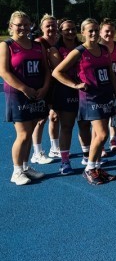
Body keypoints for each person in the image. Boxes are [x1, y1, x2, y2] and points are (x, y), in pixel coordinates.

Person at [53, 19, 116, 185]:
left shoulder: (104, 49)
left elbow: (110, 72)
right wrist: (75, 85)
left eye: (96, 30)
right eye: (90, 31)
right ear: (82, 32)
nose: (94, 33)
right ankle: (89, 168)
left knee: (99, 135)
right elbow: (57, 72)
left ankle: (97, 167)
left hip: (106, 95)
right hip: (90, 98)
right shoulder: (79, 51)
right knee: (103, 133)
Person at [1, 11, 51, 185]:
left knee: (29, 133)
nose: (23, 27)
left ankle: (25, 166)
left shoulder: (38, 46)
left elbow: (46, 69)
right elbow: (4, 72)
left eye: (26, 24)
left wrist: (44, 88)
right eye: (18, 24)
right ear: (11, 26)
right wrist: (24, 88)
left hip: (37, 94)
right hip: (18, 95)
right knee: (22, 134)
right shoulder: (6, 45)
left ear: (31, 25)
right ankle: (16, 172)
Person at [48, 19, 84, 175]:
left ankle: (88, 157)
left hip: (84, 90)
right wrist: (74, 84)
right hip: (65, 91)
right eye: (66, 29)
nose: (70, 32)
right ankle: (64, 161)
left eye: (73, 29)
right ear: (60, 31)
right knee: (67, 126)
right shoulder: (55, 49)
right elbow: (59, 72)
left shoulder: (83, 46)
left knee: (85, 125)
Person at [31, 14, 59, 164]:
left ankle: (55, 148)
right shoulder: (38, 43)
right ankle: (37, 152)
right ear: (41, 28)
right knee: (40, 120)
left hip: (56, 85)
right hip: (43, 85)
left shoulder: (58, 42)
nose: (51, 28)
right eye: (48, 26)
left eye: (53, 25)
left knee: (55, 117)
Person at [99, 18, 116, 155]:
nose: (109, 34)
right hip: (101, 87)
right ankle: (100, 144)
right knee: (101, 117)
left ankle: (113, 140)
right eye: (106, 31)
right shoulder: (96, 48)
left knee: (115, 114)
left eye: (112, 31)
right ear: (100, 32)